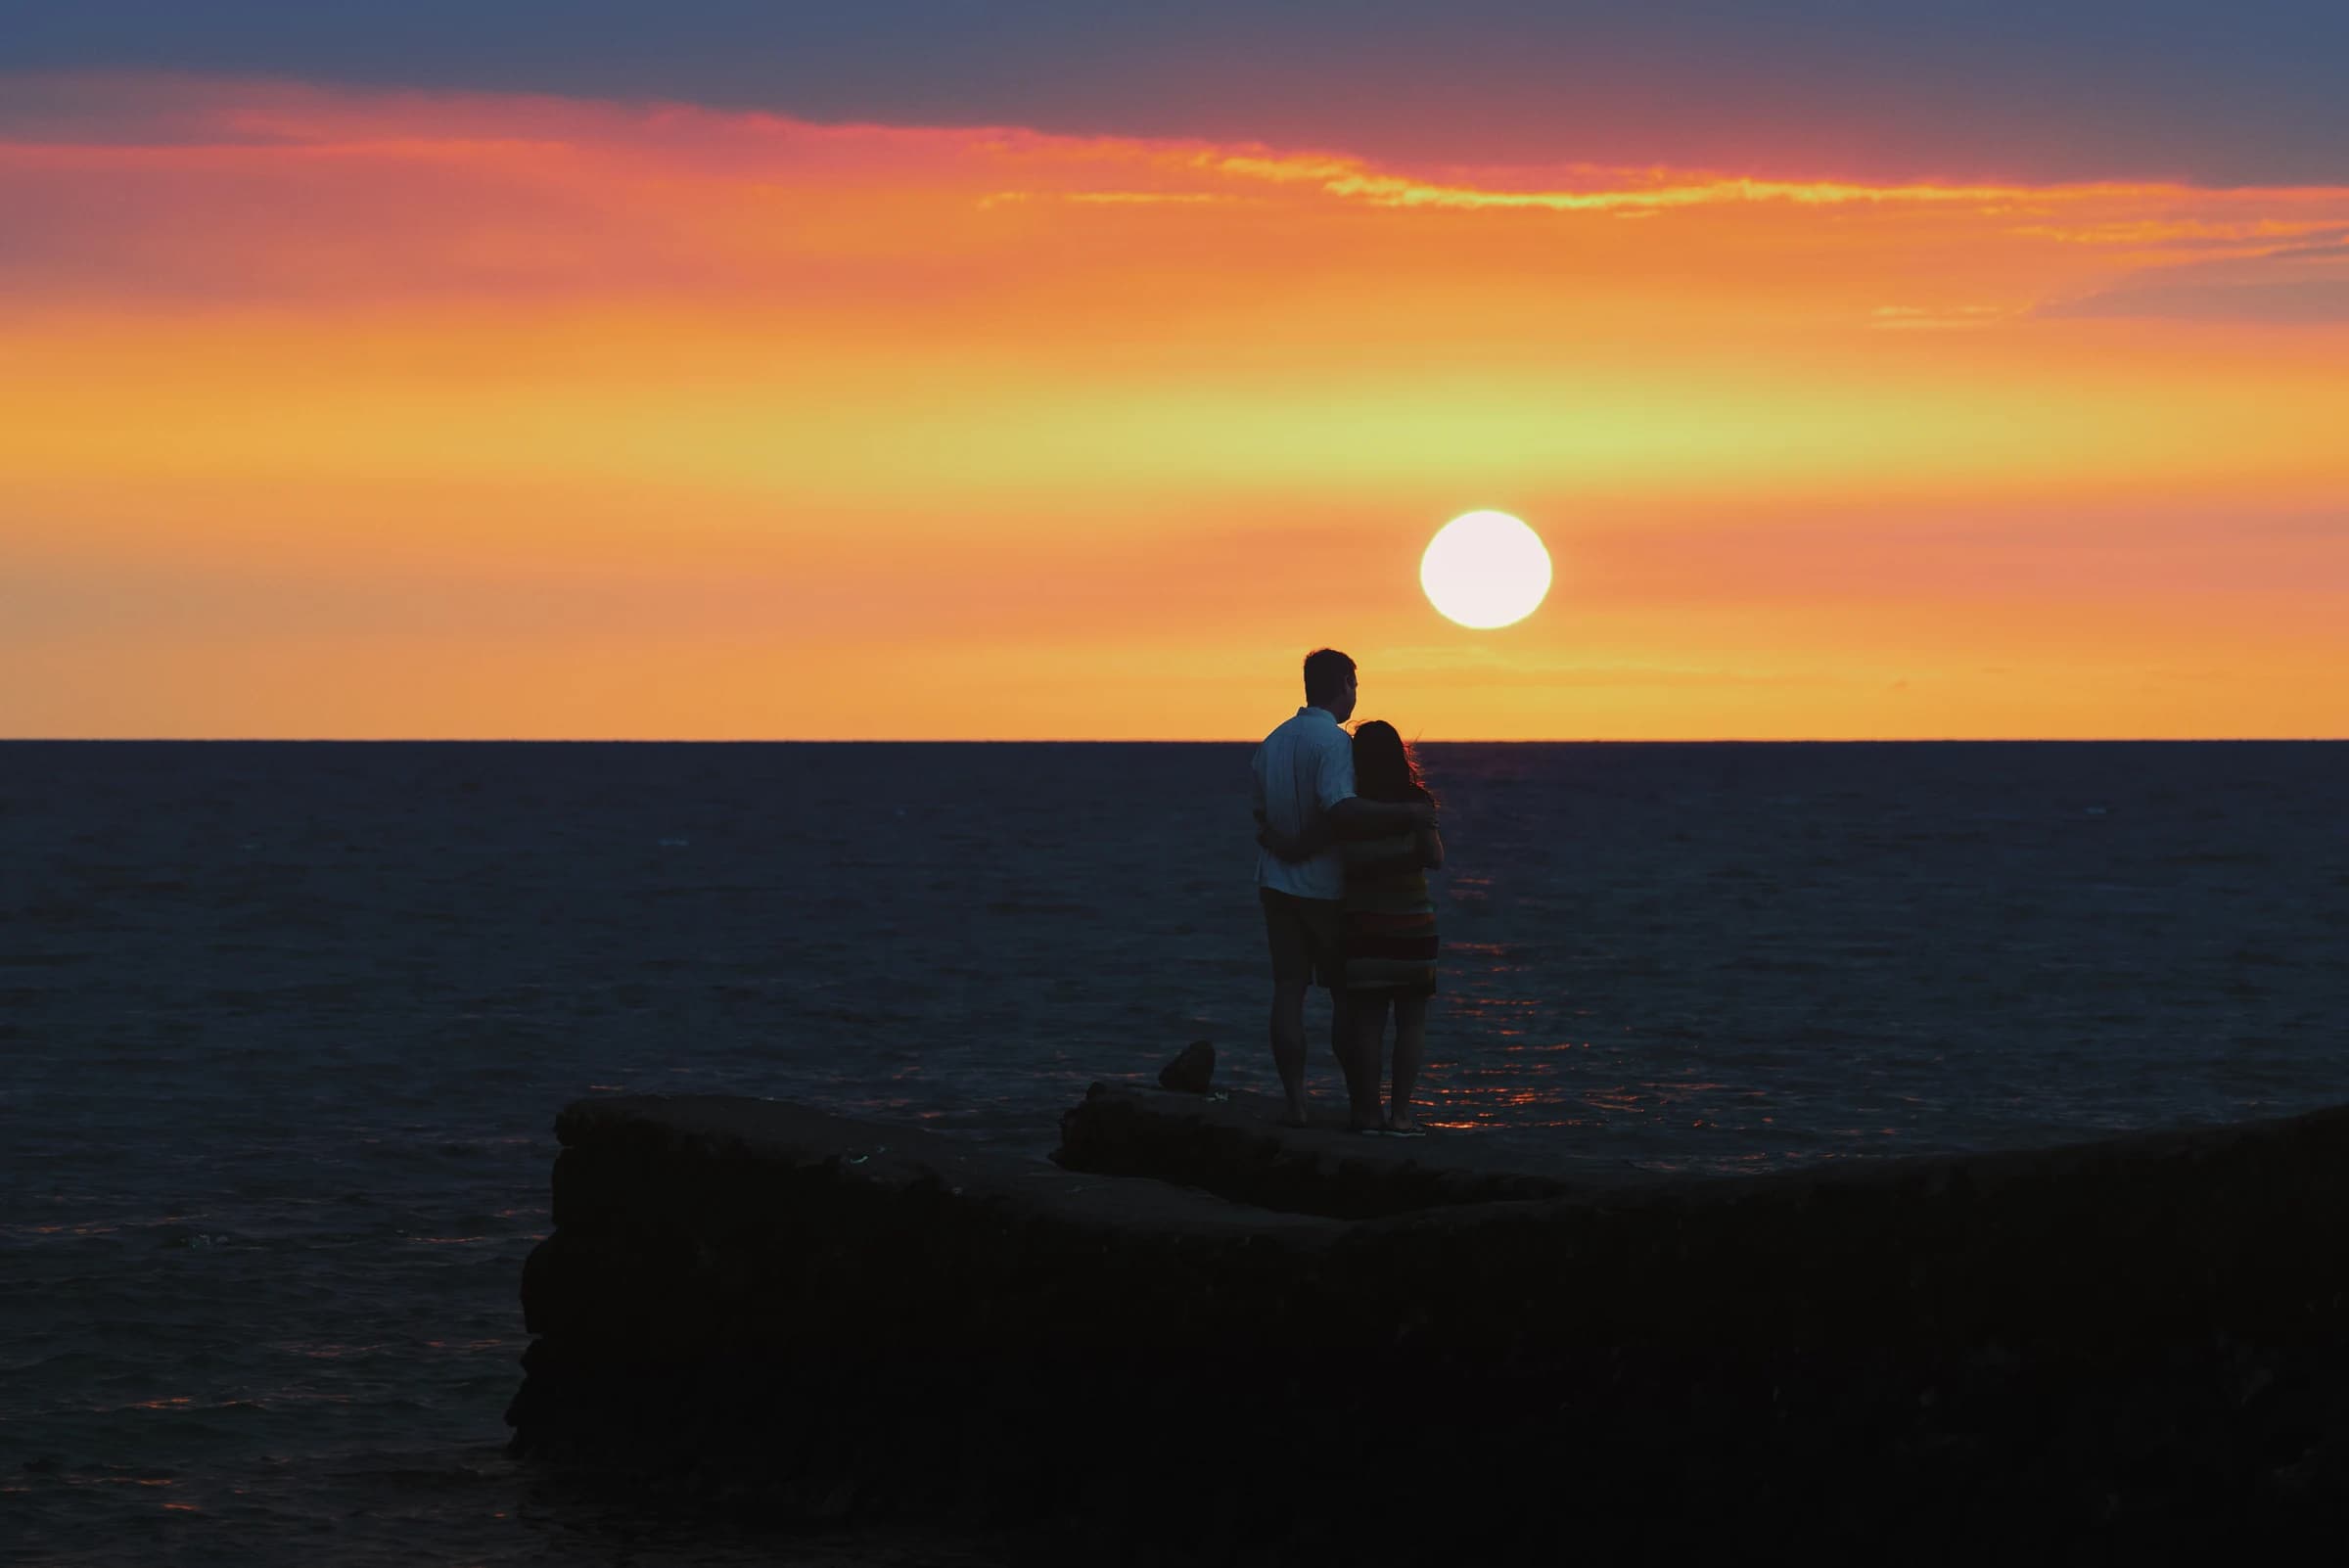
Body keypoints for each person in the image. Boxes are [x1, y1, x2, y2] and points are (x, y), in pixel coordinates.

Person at [1252, 649, 1433, 1130]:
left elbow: (1259, 817)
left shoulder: (1270, 743)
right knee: (1346, 1001)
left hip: (1274, 884)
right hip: (1326, 890)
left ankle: (1296, 1103)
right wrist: (1408, 814)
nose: (1357, 694)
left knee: (1288, 991)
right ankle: (1365, 1108)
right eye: (1355, 685)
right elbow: (1340, 811)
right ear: (1345, 683)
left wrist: (1283, 846)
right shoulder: (1335, 745)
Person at [1331, 721, 1443, 1134]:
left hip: (1364, 927)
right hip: (1413, 925)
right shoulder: (1417, 801)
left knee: (1368, 1025)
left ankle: (1369, 1114)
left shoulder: (1350, 805)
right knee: (1411, 1024)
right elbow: (1435, 858)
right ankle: (1401, 1116)